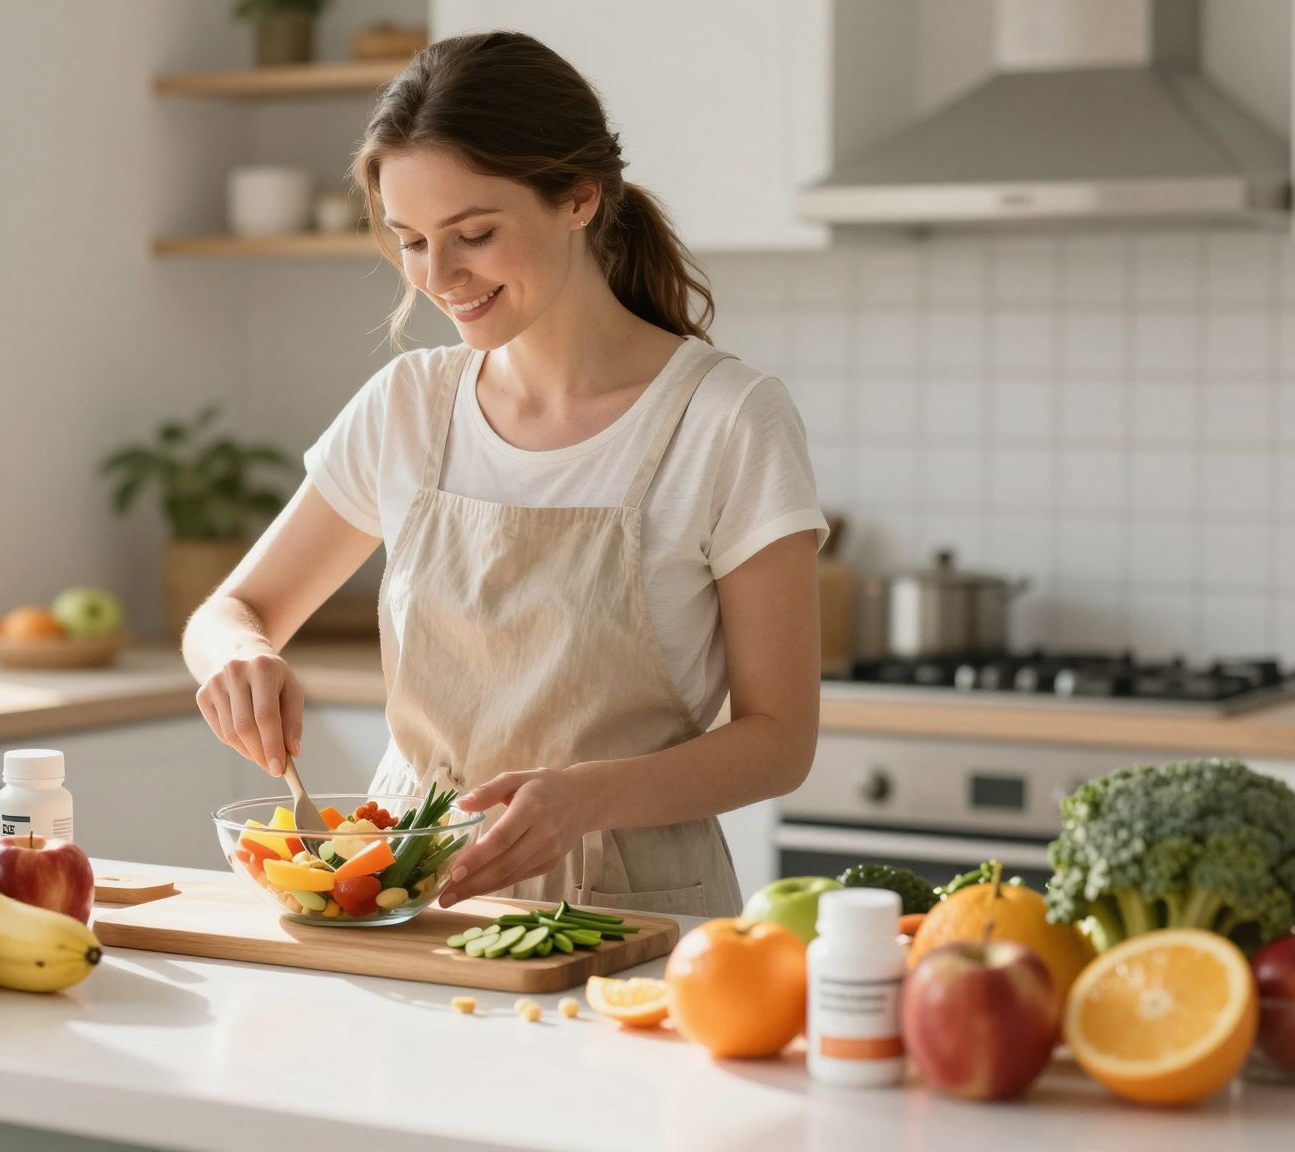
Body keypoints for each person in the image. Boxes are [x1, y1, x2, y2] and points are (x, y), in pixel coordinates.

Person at [182, 31, 825, 917]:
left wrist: (585, 798)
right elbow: (230, 612)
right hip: (404, 893)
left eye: (474, 234)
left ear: (579, 198)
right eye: (410, 240)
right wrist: (240, 656)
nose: (439, 276)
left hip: (630, 910)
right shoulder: (407, 405)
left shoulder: (727, 420)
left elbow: (780, 741)